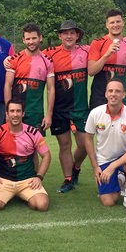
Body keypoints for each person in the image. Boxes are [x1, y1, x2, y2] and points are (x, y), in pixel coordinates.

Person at [43, 20, 90, 193]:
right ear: (60, 36)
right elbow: (29, 55)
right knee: (64, 145)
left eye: (72, 33)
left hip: (80, 108)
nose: (69, 36)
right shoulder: (50, 54)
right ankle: (68, 179)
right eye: (65, 33)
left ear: (77, 35)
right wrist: (10, 59)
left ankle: (76, 167)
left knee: (85, 145)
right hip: (59, 110)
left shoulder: (87, 51)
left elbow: (106, 47)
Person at [84, 80, 126, 211]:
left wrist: (113, 166)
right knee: (109, 201)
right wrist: (95, 167)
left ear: (124, 94)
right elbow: (88, 139)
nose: (113, 94)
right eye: (110, 91)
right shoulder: (95, 113)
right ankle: (120, 179)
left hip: (125, 159)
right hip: (104, 160)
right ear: (105, 94)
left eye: (117, 91)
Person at [0, 100, 51, 212]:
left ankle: (22, 194)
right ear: (7, 114)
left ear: (23, 113)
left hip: (27, 181)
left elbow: (46, 155)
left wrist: (39, 177)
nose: (15, 114)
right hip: (4, 180)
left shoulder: (33, 132)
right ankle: (14, 194)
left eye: (18, 111)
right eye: (12, 111)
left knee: (42, 205)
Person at [4, 22, 55, 131]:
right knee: (15, 146)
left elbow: (51, 89)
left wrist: (49, 115)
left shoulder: (47, 61)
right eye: (28, 39)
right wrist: (7, 111)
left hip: (36, 113)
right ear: (23, 40)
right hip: (16, 112)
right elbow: (8, 85)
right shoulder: (15, 59)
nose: (31, 42)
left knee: (36, 147)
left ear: (40, 38)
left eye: (34, 38)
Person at [88, 8, 126, 108]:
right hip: (99, 100)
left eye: (118, 21)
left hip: (122, 100)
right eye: (112, 22)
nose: (115, 25)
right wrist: (106, 55)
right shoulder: (97, 43)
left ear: (123, 23)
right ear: (107, 25)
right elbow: (91, 71)